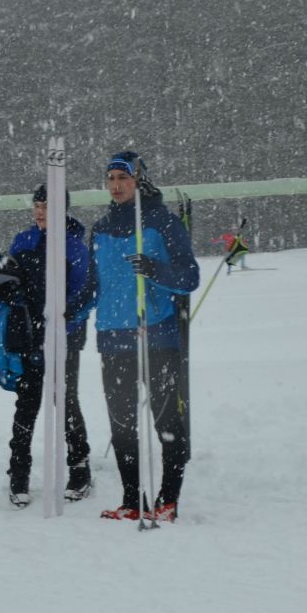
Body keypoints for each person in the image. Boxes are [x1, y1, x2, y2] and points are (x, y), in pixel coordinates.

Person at [90, 152, 201, 522]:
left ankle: (168, 500)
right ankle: (132, 500)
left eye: (123, 177)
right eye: (111, 179)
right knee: (121, 425)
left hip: (156, 335)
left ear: (139, 180)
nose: (116, 185)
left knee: (166, 421)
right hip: (112, 336)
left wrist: (155, 269)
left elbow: (189, 277)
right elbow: (93, 284)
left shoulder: (161, 222)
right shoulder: (101, 229)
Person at [3, 183, 95, 507]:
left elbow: (84, 293)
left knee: (65, 399)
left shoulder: (74, 246)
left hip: (64, 336)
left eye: (47, 206)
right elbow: (12, 282)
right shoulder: (24, 240)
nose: (40, 212)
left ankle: (80, 467)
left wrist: (63, 322)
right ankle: (18, 471)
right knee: (27, 402)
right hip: (29, 335)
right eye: (37, 205)